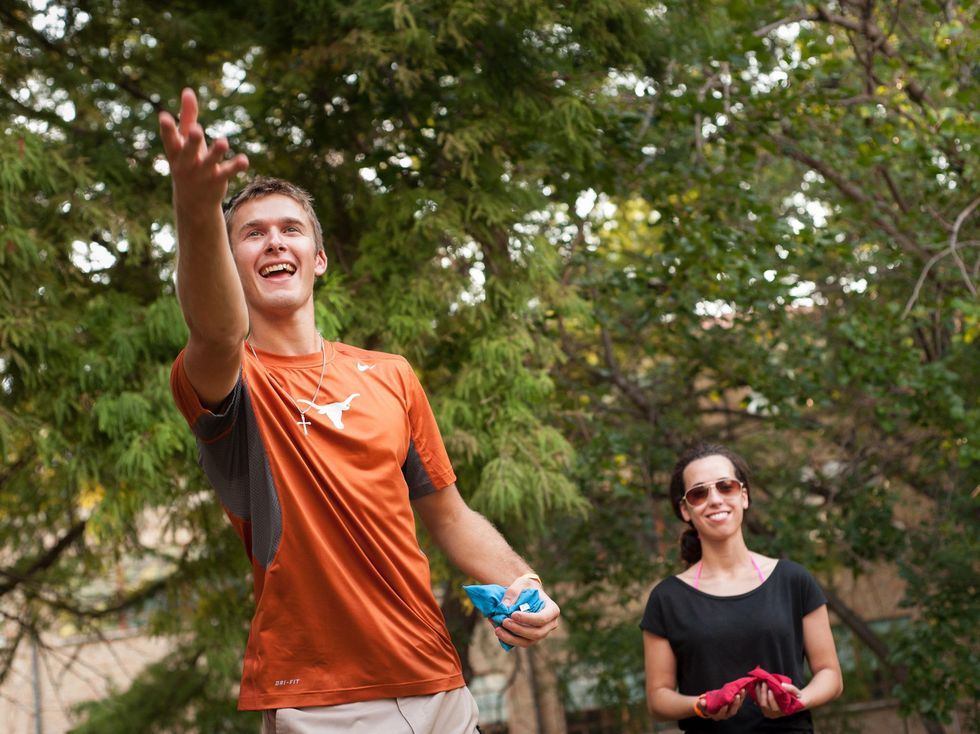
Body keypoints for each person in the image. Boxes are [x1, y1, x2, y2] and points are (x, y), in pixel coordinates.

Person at [158, 88, 560, 734]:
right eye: (251, 235)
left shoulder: (390, 375)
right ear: (229, 264)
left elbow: (450, 515)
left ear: (317, 259)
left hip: (437, 681)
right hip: (320, 701)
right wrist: (196, 211)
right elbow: (212, 330)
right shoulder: (225, 380)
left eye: (290, 230)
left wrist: (522, 585)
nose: (273, 243)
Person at [640, 442, 842, 732]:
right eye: (699, 493)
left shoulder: (793, 579)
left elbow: (830, 674)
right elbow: (658, 699)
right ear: (685, 510)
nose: (715, 499)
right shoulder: (666, 598)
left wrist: (799, 699)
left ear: (743, 496)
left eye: (726, 486)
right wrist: (701, 705)